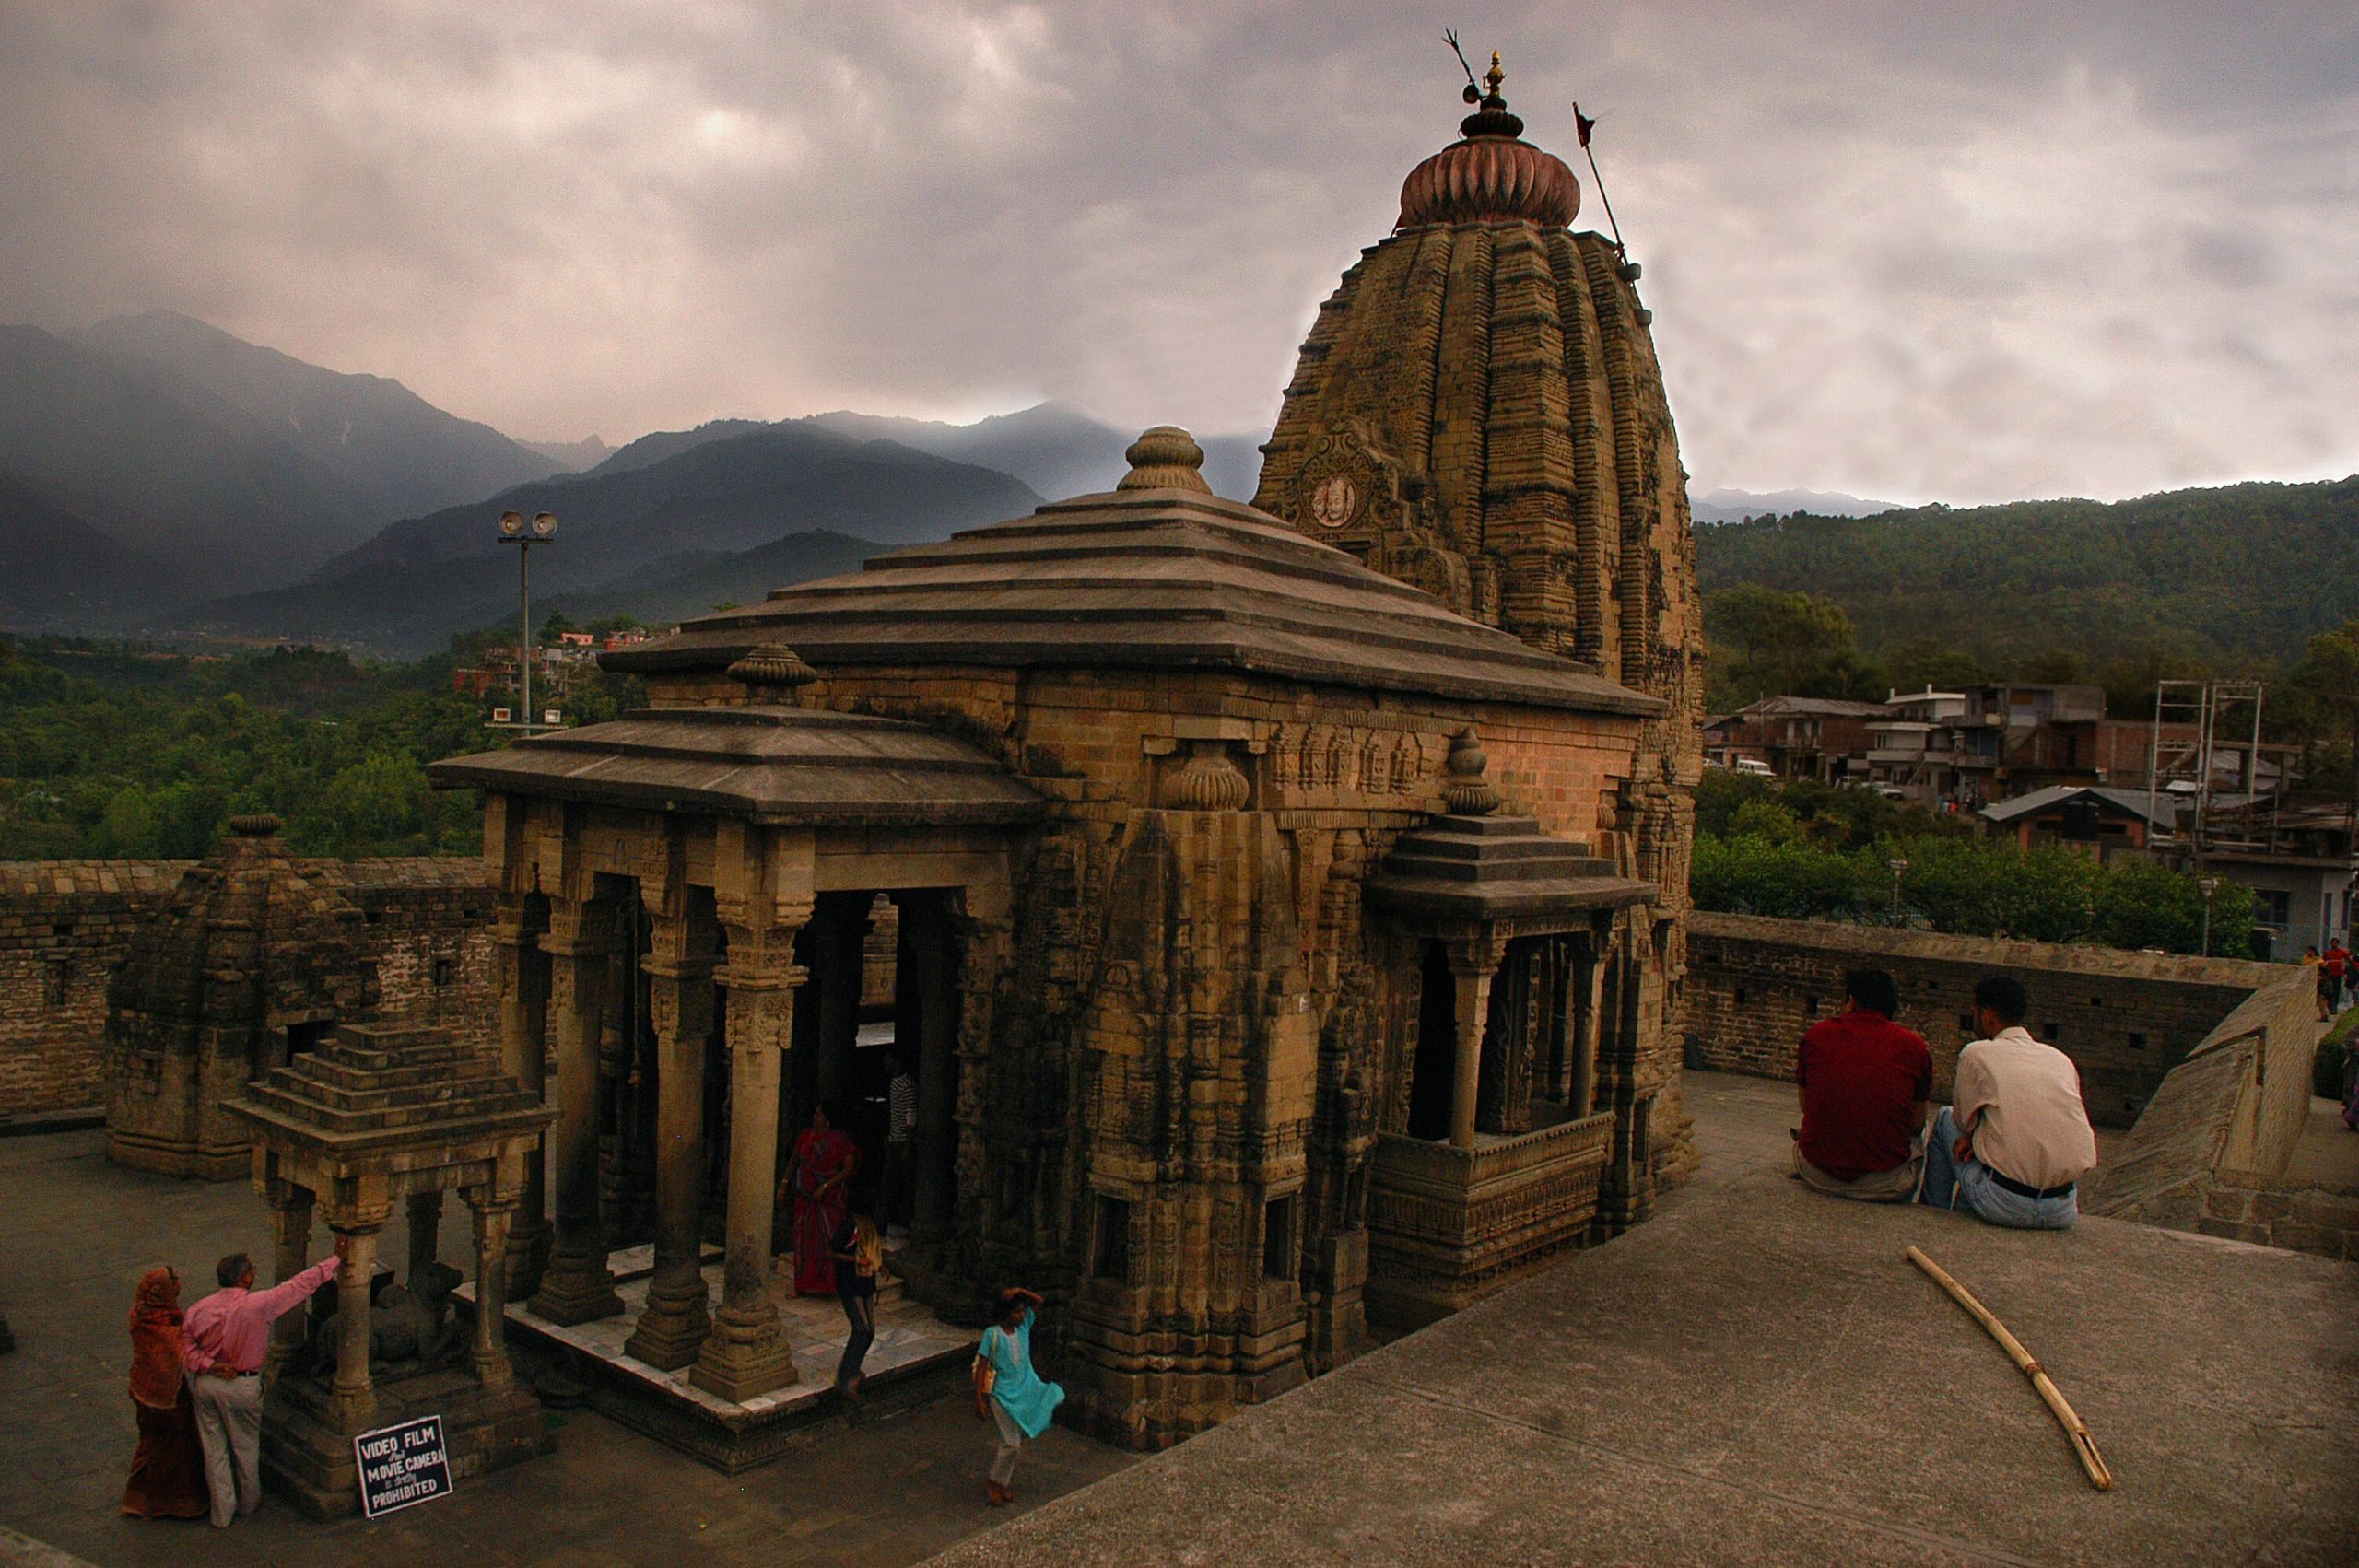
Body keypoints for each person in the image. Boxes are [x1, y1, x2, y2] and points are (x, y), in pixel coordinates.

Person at [182, 1246, 343, 1528]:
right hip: (242, 1384)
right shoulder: (257, 1305)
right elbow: (299, 1285)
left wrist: (209, 1364)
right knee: (245, 1446)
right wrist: (336, 1258)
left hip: (207, 1385)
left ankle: (222, 1513)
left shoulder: (198, 1309)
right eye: (251, 1271)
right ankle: (248, 1502)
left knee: (214, 1449)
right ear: (244, 1278)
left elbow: (186, 1348)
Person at [1919, 977, 2097, 1230]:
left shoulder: (1977, 1053)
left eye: (1976, 1013)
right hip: (2062, 1208)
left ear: (1988, 1016)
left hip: (2005, 1204)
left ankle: (1931, 1212)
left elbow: (1963, 1122)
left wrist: (1974, 1136)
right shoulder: (2060, 1060)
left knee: (1946, 1119)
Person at [1790, 967, 1932, 1202]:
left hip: (1817, 1174)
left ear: (1852, 1002)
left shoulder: (1817, 1035)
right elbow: (1916, 1125)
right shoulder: (1914, 1047)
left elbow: (1805, 1105)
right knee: (1927, 1129)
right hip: (1884, 1183)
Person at [122, 1267, 207, 1520]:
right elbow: (176, 1348)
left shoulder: (142, 1315)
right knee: (174, 1453)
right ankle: (176, 1503)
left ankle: (139, 1500)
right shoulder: (163, 1327)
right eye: (174, 1282)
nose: (179, 1284)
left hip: (144, 1390)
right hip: (165, 1398)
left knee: (151, 1447)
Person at [973, 1286, 1063, 1506]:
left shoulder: (1023, 1329)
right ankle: (994, 1481)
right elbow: (982, 1366)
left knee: (1014, 1444)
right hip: (1001, 1395)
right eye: (1016, 1312)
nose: (1021, 1315)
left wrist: (1021, 1291)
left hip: (1022, 1392)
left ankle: (1001, 1482)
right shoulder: (992, 1335)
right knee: (1011, 1444)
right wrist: (979, 1398)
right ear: (1005, 1314)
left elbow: (1040, 1301)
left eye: (1022, 1311)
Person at [780, 1101, 859, 1295]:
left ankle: (828, 1285)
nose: (815, 1117)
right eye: (815, 1114)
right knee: (803, 1240)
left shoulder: (839, 1140)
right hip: (805, 1197)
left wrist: (825, 1186)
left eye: (819, 1114)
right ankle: (802, 1285)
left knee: (827, 1241)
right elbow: (794, 1161)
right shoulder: (806, 1135)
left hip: (827, 1199)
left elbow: (848, 1168)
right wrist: (784, 1184)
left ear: (827, 1120)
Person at [829, 1195, 886, 1398]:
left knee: (870, 1331)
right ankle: (846, 1378)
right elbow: (833, 1252)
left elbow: (873, 1251)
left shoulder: (869, 1227)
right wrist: (856, 1260)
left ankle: (853, 1368)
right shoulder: (849, 1226)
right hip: (850, 1283)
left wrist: (880, 1266)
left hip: (866, 1284)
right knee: (861, 1329)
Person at [883, 1052, 918, 1237]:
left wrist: (907, 1145)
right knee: (890, 1181)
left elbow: (910, 1117)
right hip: (894, 1138)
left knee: (902, 1182)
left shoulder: (907, 1086)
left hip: (902, 1141)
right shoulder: (894, 1083)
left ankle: (903, 1220)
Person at [2324, 938, 2351, 1013]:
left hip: (2338, 975)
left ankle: (2334, 1007)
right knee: (2330, 991)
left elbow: (2349, 960)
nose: (2334, 944)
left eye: (2335, 943)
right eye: (2332, 943)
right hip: (2329, 975)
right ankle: (2330, 1006)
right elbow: (2323, 962)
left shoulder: (2342, 952)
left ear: (2338, 944)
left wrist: (2346, 972)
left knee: (2337, 991)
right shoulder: (2327, 953)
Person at [2304, 946, 2329, 1022]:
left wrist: (2320, 977)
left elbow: (2324, 971)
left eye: (2309, 950)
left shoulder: (2319, 961)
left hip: (2319, 982)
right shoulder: (2306, 958)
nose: (2308, 952)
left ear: (2313, 951)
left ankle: (2324, 1015)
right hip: (2307, 980)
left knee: (2321, 1000)